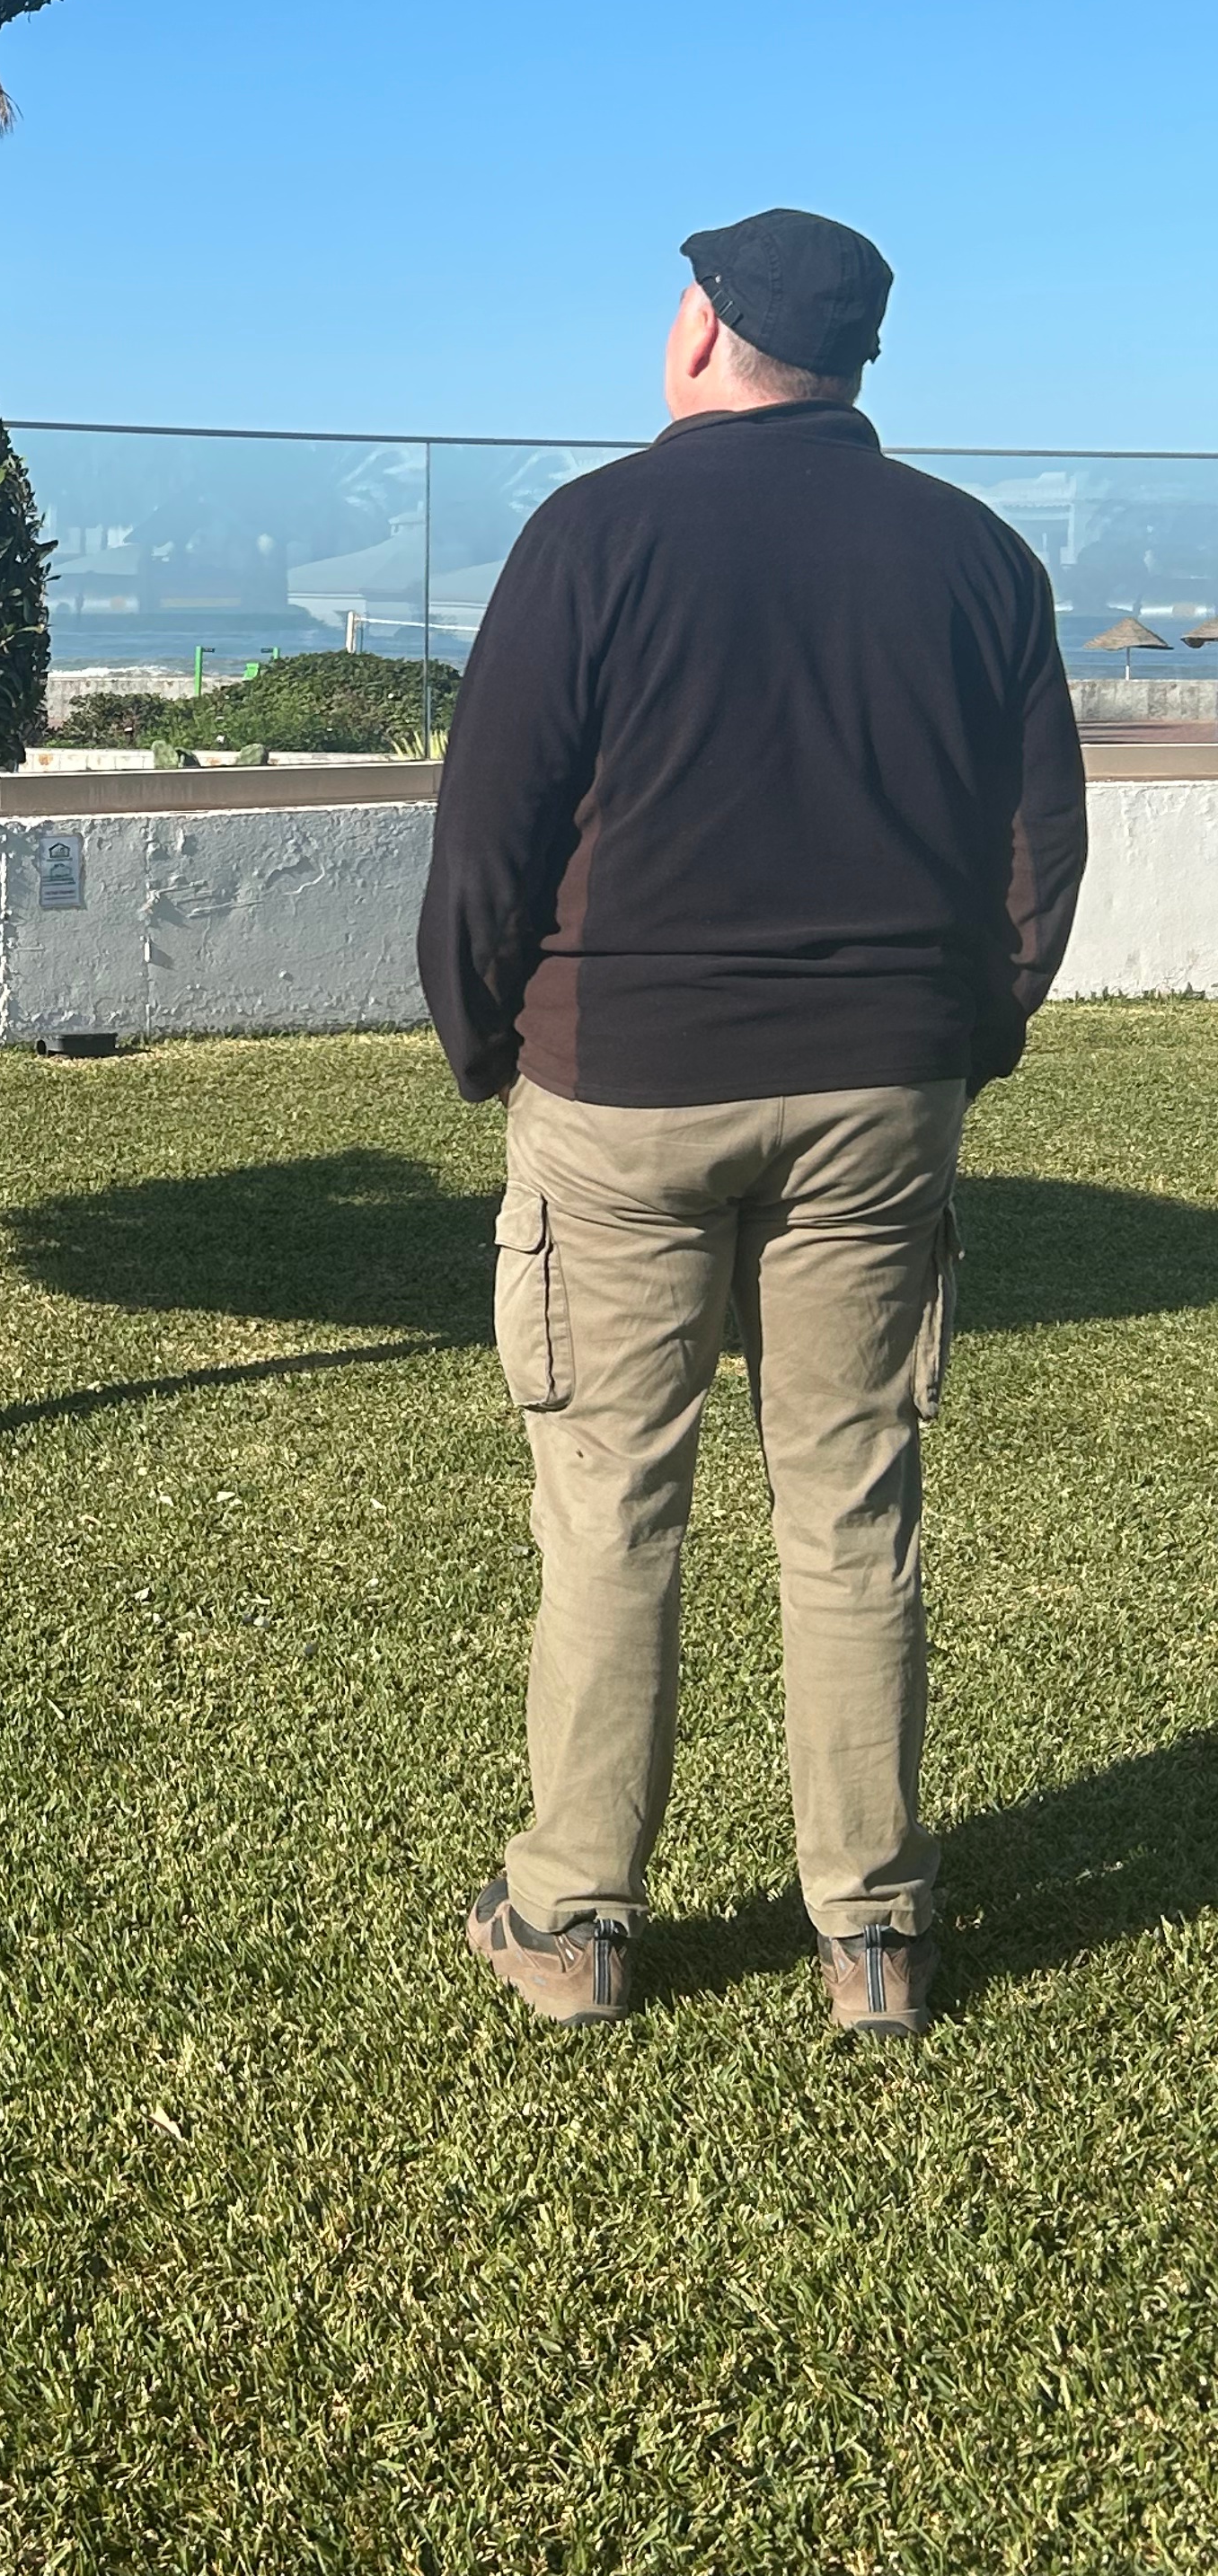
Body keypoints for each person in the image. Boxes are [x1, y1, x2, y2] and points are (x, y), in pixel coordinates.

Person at [419, 209, 1086, 2037]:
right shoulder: (980, 557)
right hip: (884, 1091)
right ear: (852, 357)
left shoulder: (591, 535)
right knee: (851, 1499)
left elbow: (487, 841)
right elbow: (1038, 853)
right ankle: (873, 1938)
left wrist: (489, 1047)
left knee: (611, 1503)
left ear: (706, 333)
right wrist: (963, 1041)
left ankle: (572, 1926)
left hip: (619, 1088)